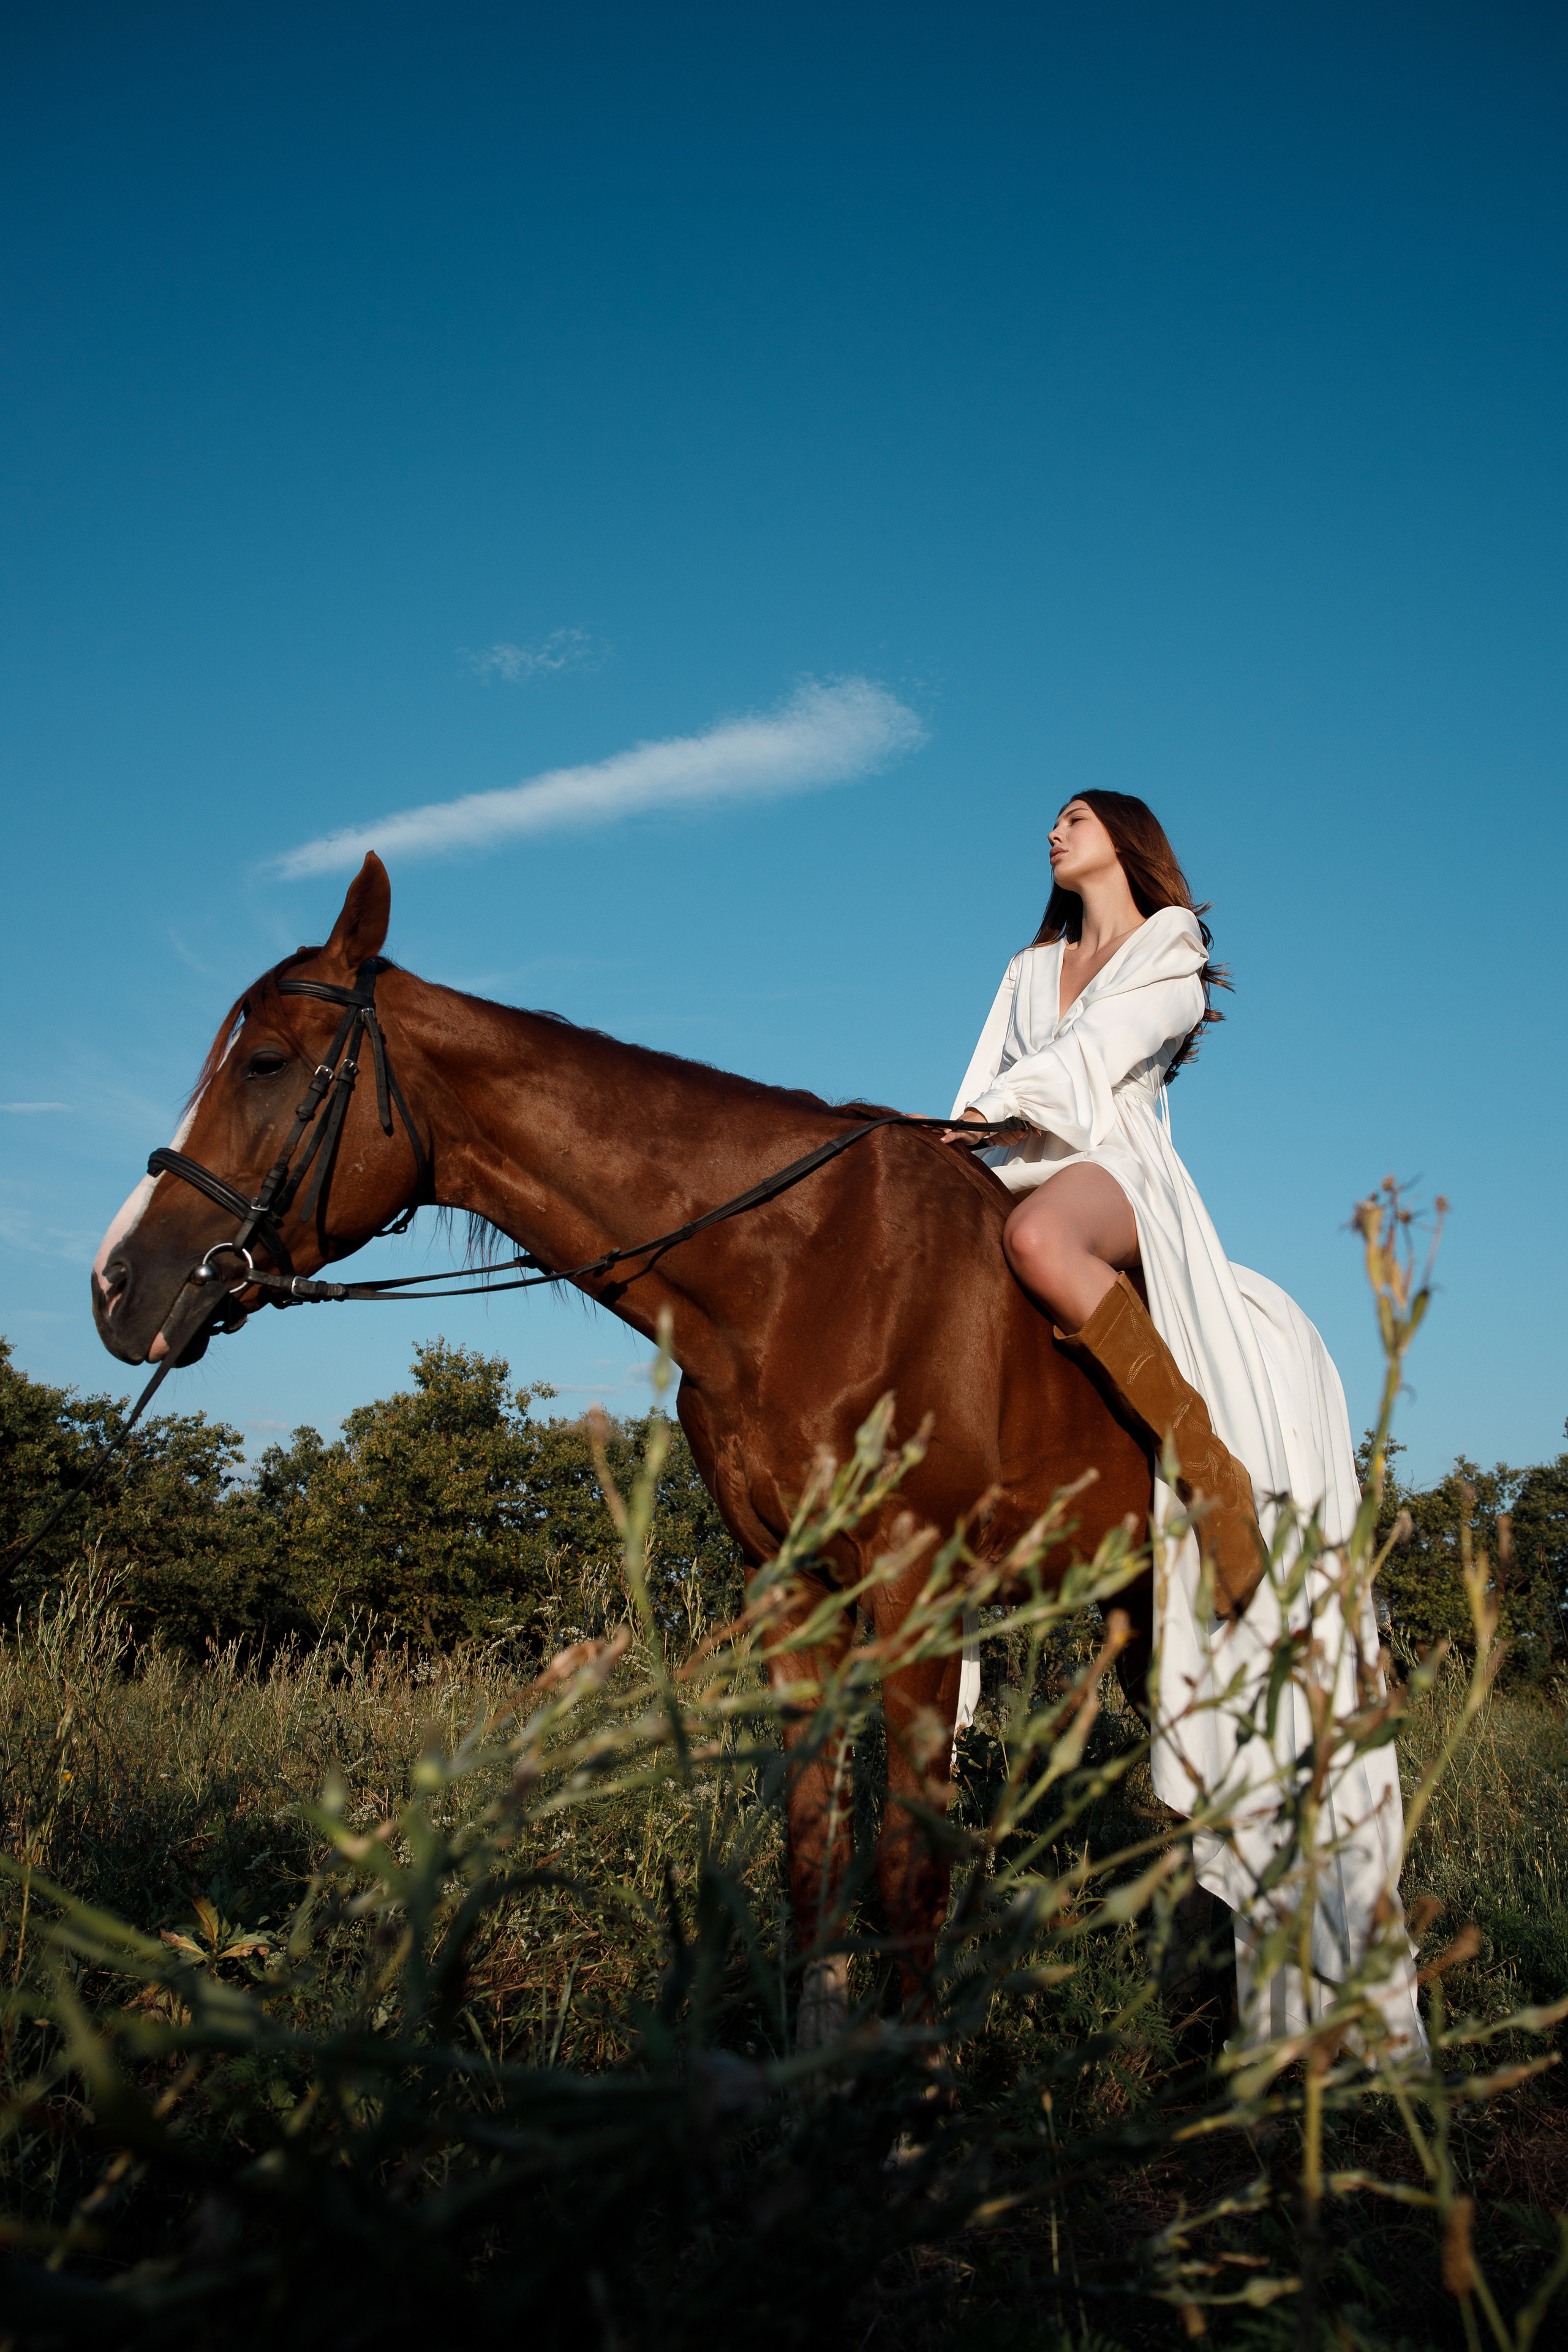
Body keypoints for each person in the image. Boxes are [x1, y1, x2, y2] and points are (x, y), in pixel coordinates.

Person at [948, 790, 1423, 2049]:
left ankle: (1202, 1463)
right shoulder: (1021, 965)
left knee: (1043, 1237)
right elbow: (978, 1078)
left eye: (1072, 818)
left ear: (1123, 837)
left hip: (1107, 1174)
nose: (1050, 834)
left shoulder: (1167, 949)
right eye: (1049, 824)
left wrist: (1003, 1110)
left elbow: (1093, 1066)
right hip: (1006, 1150)